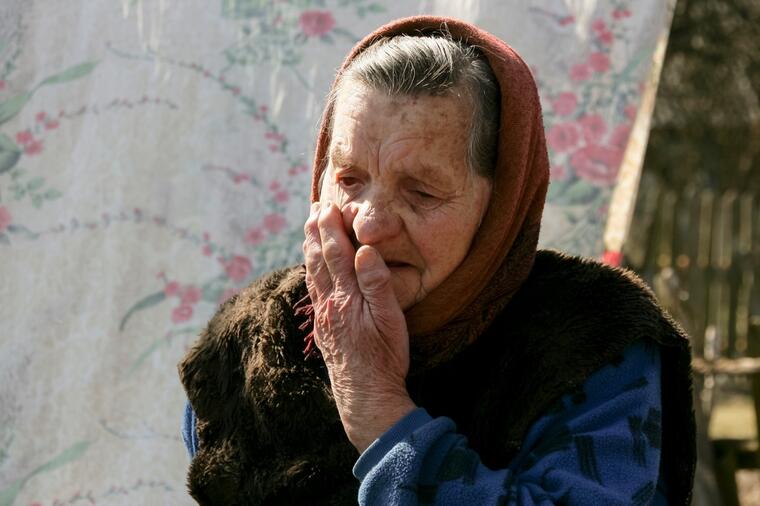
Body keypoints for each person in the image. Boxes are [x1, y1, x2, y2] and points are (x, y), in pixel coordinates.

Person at [178, 16, 695, 505]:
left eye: (421, 192)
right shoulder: (254, 345)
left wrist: (379, 409)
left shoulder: (591, 341)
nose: (368, 224)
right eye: (349, 180)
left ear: (501, 203)